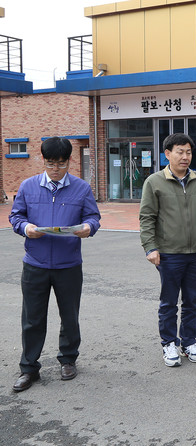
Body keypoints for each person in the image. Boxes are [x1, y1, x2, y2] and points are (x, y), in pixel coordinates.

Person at [9, 137, 101, 392]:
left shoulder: (81, 188)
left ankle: (68, 359)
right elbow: (16, 216)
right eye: (51, 164)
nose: (56, 169)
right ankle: (29, 368)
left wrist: (87, 227)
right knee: (32, 318)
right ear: (43, 161)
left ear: (69, 161)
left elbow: (93, 217)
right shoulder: (28, 187)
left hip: (68, 263)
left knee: (69, 316)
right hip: (35, 263)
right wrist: (26, 228)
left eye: (61, 164)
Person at [140, 133, 196, 367]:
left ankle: (189, 341)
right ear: (167, 154)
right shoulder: (154, 182)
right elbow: (147, 218)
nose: (185, 157)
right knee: (169, 302)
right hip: (169, 253)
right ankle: (168, 344)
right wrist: (150, 247)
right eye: (180, 152)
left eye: (189, 152)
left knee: (192, 301)